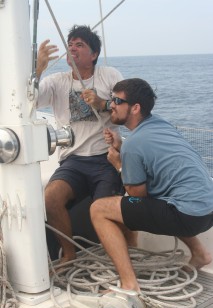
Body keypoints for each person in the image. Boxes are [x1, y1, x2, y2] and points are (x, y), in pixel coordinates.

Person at [90, 78, 213, 292]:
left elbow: (136, 194)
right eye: (111, 99)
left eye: (117, 101)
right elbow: (148, 152)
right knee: (170, 199)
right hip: (206, 210)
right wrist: (122, 145)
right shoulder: (160, 124)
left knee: (99, 209)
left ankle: (129, 284)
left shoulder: (135, 145)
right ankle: (200, 253)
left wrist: (119, 163)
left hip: (186, 216)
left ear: (135, 108)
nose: (111, 105)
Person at [36, 25, 136, 263]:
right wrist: (38, 69)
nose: (72, 48)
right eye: (70, 44)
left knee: (107, 209)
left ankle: (127, 255)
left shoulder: (108, 75)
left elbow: (127, 107)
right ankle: (68, 255)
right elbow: (30, 101)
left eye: (79, 44)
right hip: (73, 160)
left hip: (105, 157)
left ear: (93, 54)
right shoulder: (56, 81)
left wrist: (102, 103)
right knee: (50, 199)